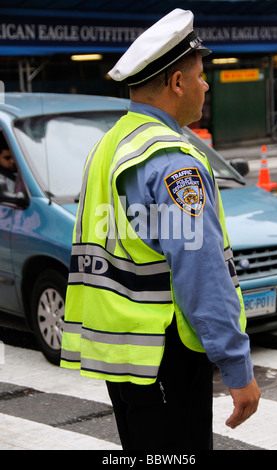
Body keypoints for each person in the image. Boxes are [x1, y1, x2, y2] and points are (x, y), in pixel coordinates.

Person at [61, 8, 261, 451]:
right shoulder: (173, 161)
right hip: (164, 356)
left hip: (126, 357)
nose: (206, 85)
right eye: (202, 75)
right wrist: (237, 367)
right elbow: (201, 272)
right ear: (177, 83)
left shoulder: (111, 144)